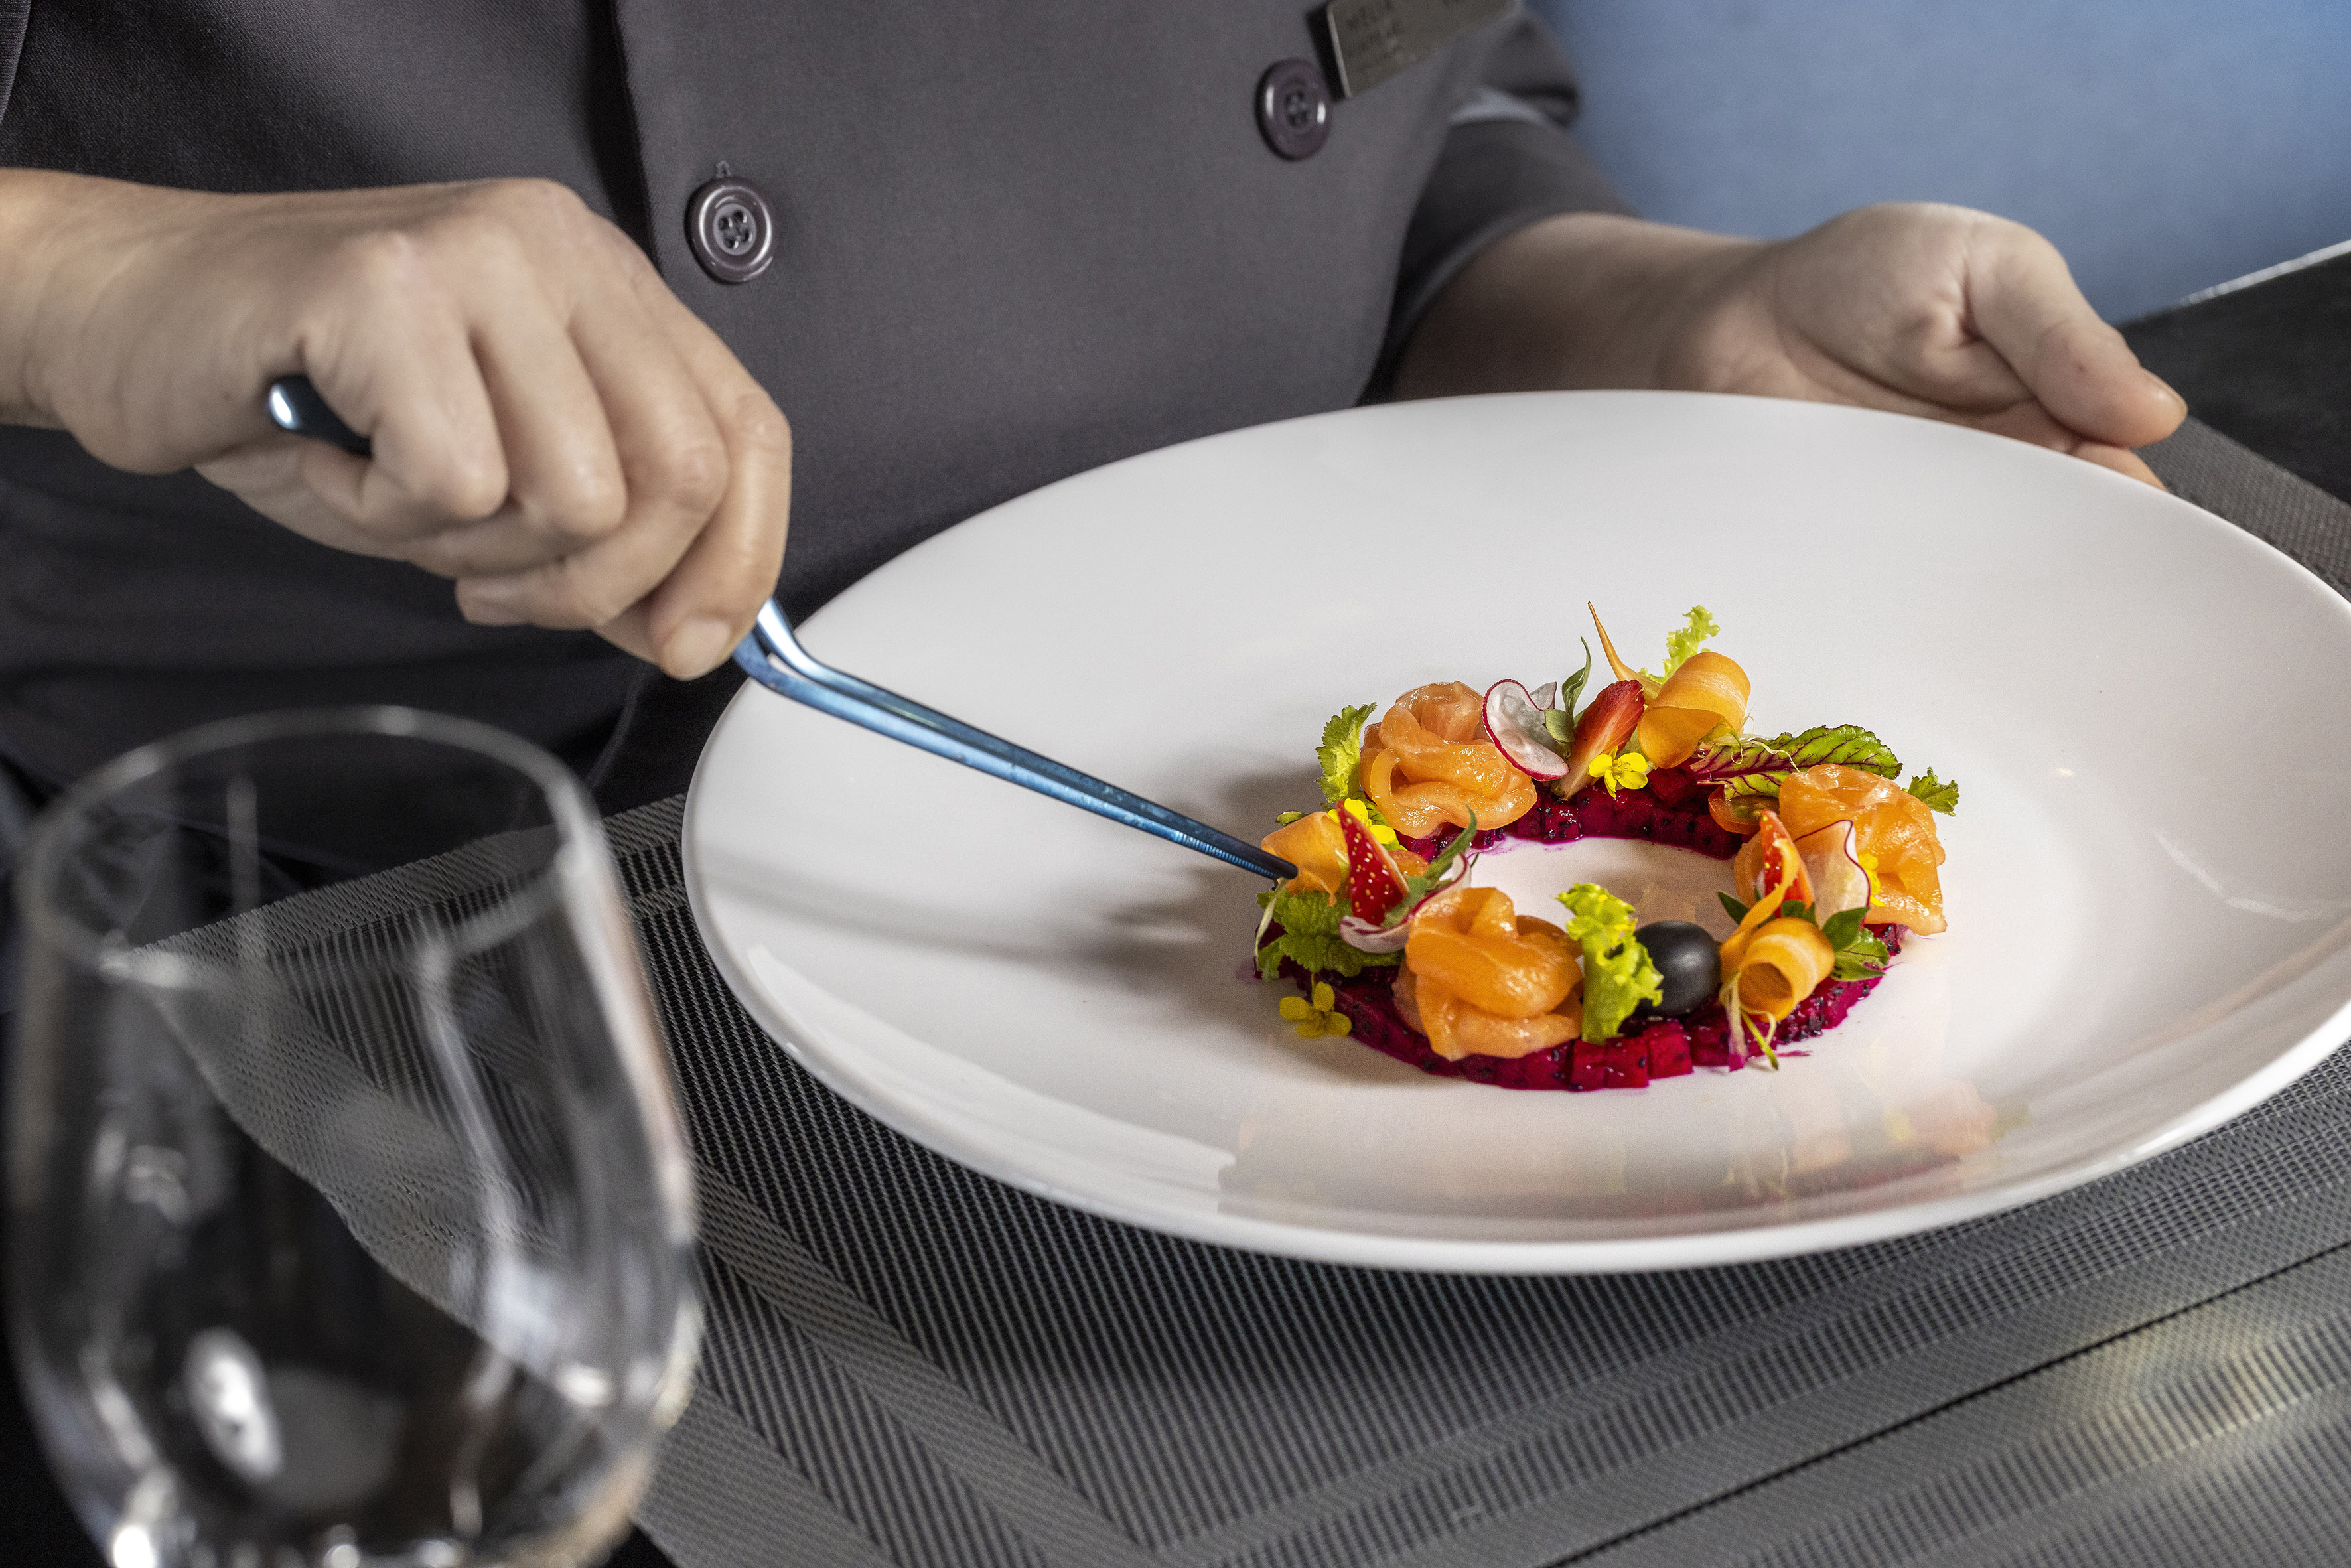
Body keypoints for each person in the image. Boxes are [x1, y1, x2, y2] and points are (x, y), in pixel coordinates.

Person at [0, 3, 2182, 821]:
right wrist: (114, 271)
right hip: (330, 970)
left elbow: (1410, 114)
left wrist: (1646, 328)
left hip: (1230, 852)